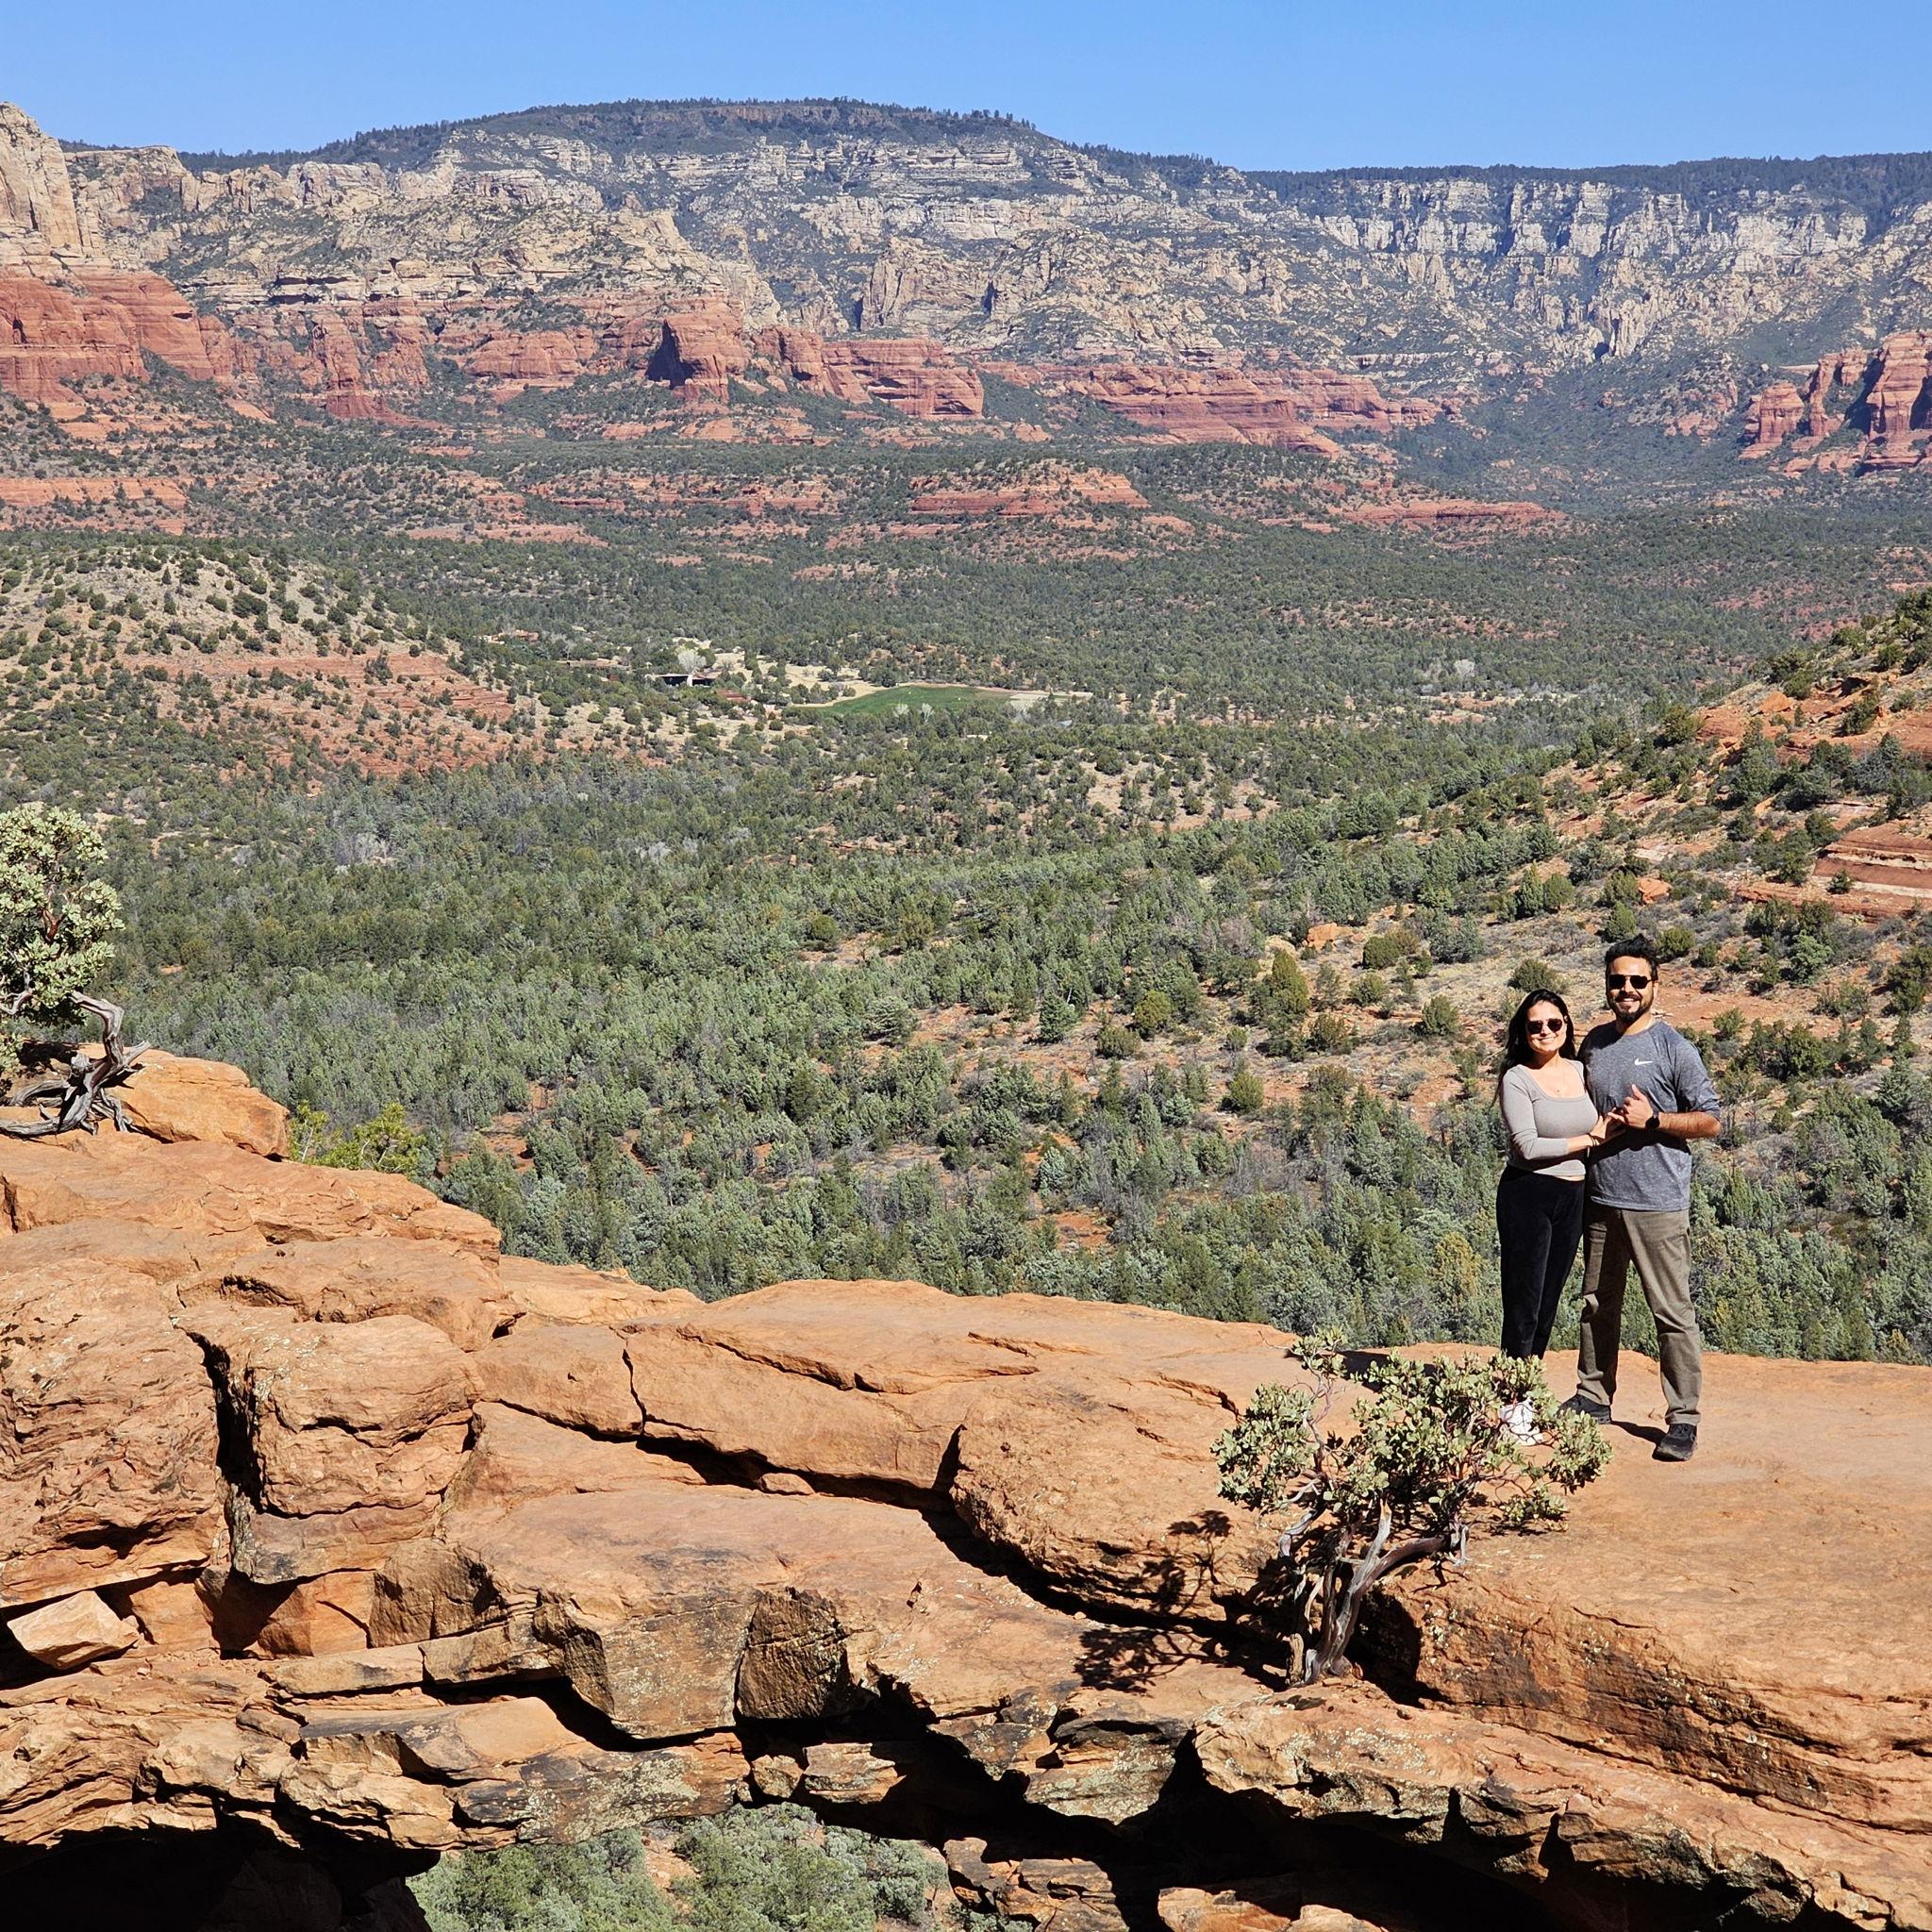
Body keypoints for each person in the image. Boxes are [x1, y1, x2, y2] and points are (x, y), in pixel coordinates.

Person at [1564, 935, 1723, 1462]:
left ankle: (1682, 1418)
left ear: (1654, 985)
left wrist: (1653, 1120)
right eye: (1617, 981)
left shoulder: (1674, 1049)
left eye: (1637, 980)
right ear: (1607, 985)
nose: (1626, 989)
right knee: (1596, 1305)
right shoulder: (1595, 1044)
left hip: (1657, 1201)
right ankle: (1592, 1395)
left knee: (1670, 1312)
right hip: (1602, 1196)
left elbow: (1710, 1119)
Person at [1493, 989, 1617, 1441]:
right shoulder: (1518, 1079)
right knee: (1523, 1300)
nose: (1545, 1032)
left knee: (1548, 1300)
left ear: (1567, 1025)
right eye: (1534, 1026)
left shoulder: (1583, 1072)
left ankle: (1522, 1394)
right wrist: (1590, 1140)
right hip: (1529, 1194)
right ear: (1523, 1034)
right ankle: (1510, 1407)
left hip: (1574, 1195)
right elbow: (1526, 1145)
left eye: (1554, 1023)